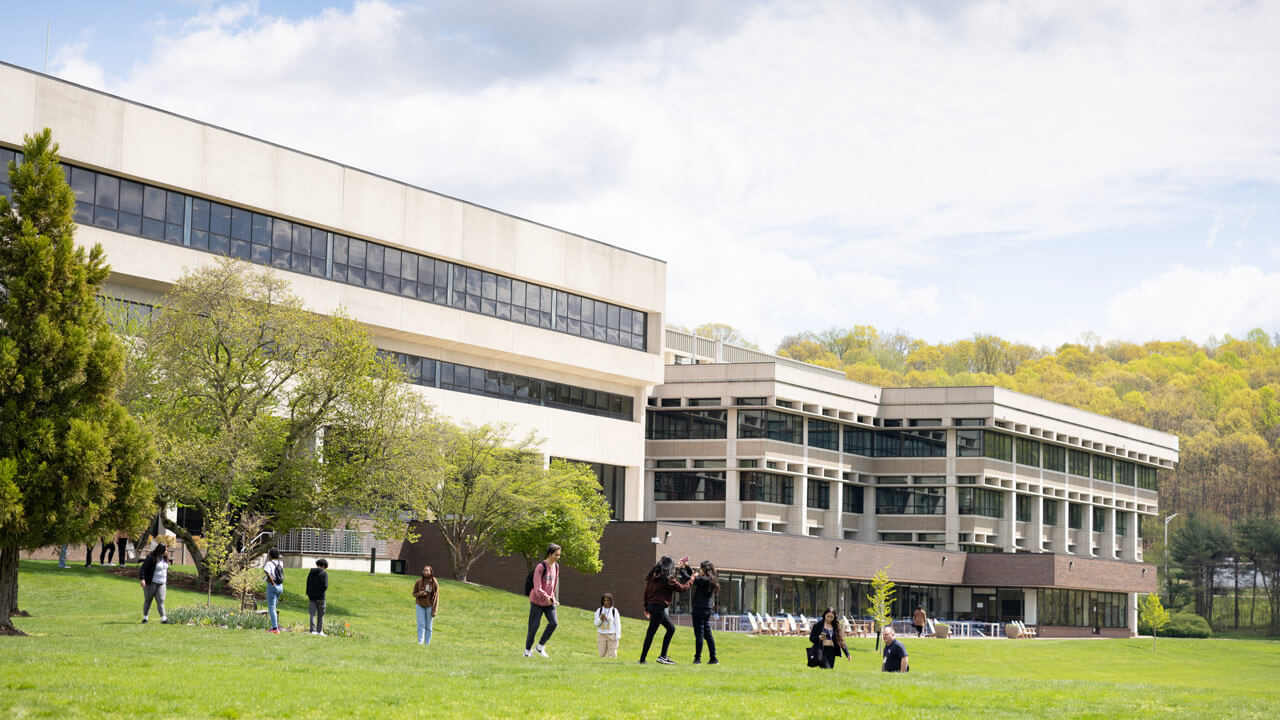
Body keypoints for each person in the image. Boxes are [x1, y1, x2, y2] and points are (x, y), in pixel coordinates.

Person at [638, 556, 693, 665]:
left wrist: (646, 607)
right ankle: (645, 659)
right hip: (658, 607)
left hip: (651, 606)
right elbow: (683, 588)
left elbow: (646, 592)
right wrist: (692, 579)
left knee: (670, 629)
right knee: (651, 632)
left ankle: (659, 656)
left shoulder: (653, 577)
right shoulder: (668, 579)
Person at [524, 543, 561, 658]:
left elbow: (554, 585)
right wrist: (546, 597)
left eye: (559, 555)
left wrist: (552, 598)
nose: (558, 557)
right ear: (550, 554)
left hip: (549, 601)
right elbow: (537, 587)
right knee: (534, 626)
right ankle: (527, 650)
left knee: (554, 623)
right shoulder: (541, 567)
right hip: (537, 601)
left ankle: (540, 647)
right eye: (556, 555)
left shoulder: (556, 566)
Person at [690, 560, 719, 665]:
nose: (699, 569)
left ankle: (697, 659)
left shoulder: (703, 580)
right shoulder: (711, 580)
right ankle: (713, 658)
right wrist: (687, 567)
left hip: (699, 609)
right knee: (707, 634)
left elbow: (692, 580)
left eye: (700, 568)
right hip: (707, 610)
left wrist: (681, 570)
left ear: (705, 569)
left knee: (699, 634)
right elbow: (694, 577)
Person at [138, 544, 171, 624]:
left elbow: (165, 568)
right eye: (165, 550)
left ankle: (164, 619)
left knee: (161, 601)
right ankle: (145, 618)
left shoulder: (164, 558)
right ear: (160, 550)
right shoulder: (151, 558)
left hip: (162, 583)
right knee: (148, 600)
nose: (166, 551)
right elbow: (143, 569)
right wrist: (142, 579)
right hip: (151, 583)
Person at [412, 564, 439, 645]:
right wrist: (420, 594)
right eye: (424, 570)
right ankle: (420, 642)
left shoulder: (434, 581)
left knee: (429, 626)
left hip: (429, 605)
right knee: (421, 624)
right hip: (420, 605)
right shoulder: (418, 581)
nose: (425, 572)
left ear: (431, 572)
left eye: (427, 570)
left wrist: (434, 608)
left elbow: (436, 594)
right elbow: (414, 594)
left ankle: (427, 644)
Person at [593, 593, 622, 658]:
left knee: (612, 655)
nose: (606, 602)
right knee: (602, 654)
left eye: (608, 600)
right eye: (604, 600)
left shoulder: (614, 611)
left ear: (611, 601)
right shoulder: (599, 611)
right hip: (601, 635)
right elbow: (596, 624)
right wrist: (601, 618)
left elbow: (618, 624)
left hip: (612, 635)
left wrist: (617, 636)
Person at [263, 548, 285, 633]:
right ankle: (275, 625)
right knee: (274, 607)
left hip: (273, 586)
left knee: (271, 608)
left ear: (270, 555)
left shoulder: (269, 563)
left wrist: (272, 584)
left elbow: (268, 574)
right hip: (280, 586)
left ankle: (275, 628)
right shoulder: (281, 563)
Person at [306, 558, 329, 636]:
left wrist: (309, 594)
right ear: (323, 566)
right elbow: (325, 586)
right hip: (321, 597)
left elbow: (308, 584)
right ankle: (319, 631)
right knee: (320, 614)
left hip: (312, 597)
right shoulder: (324, 574)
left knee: (312, 614)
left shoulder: (311, 573)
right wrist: (321, 592)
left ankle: (312, 630)